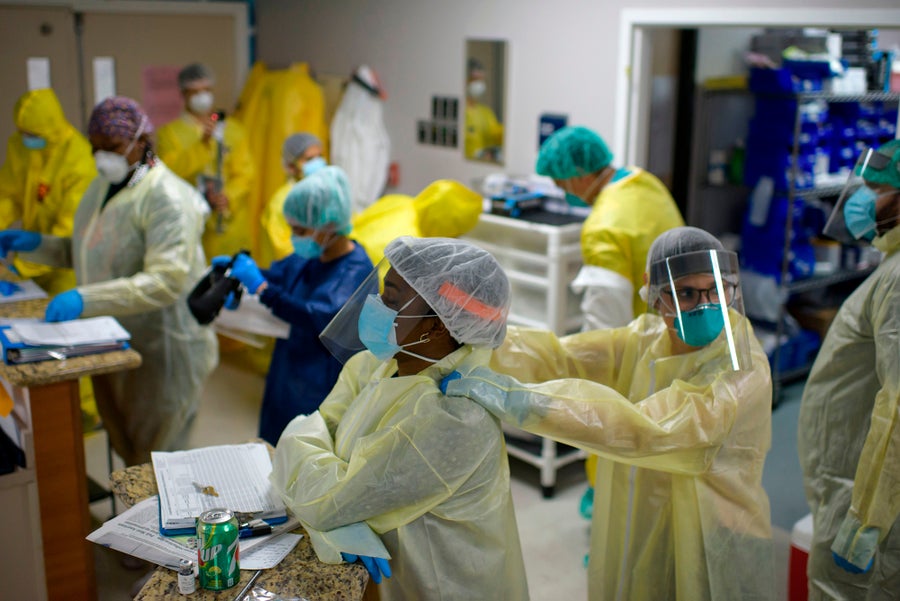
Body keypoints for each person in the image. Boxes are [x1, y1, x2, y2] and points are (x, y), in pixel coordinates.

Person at [443, 226, 775, 601]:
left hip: (709, 529)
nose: (705, 304)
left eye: (717, 289)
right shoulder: (645, 339)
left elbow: (654, 430)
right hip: (635, 517)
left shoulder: (742, 367)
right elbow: (561, 356)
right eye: (685, 293)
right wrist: (478, 333)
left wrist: (524, 402)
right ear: (654, 293)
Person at [270, 236, 528, 600]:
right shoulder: (379, 363)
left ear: (436, 326)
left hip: (442, 586)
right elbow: (324, 428)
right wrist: (330, 487)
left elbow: (328, 500)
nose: (375, 307)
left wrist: (303, 451)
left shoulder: (454, 417)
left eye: (391, 300)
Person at [0, 97, 218, 466]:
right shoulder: (103, 186)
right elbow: (92, 249)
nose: (103, 158)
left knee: (159, 461)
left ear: (142, 140)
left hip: (163, 344)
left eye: (113, 148)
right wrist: (39, 246)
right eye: (96, 148)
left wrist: (85, 299)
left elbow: (166, 281)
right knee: (128, 447)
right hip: (114, 334)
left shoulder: (166, 197)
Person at [537, 125, 685, 510]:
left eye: (561, 180)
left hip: (640, 363)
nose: (561, 189)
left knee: (623, 466)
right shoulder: (644, 183)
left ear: (581, 174)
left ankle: (616, 545)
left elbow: (605, 328)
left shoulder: (604, 226)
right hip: (680, 341)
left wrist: (573, 377)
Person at [798, 140, 900, 598]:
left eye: (876, 189)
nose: (862, 199)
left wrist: (866, 519)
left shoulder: (898, 282)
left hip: (861, 492)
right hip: (851, 480)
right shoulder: (891, 265)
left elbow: (897, 411)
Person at [214, 166, 373, 445]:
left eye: (300, 229)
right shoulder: (315, 253)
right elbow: (281, 273)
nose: (294, 236)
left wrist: (261, 289)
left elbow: (315, 315)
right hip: (288, 368)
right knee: (274, 442)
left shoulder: (355, 272)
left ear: (329, 224)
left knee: (303, 450)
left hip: (319, 380)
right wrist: (240, 269)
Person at [0, 88, 96, 294]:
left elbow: (67, 230)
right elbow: (7, 195)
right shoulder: (20, 146)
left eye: (32, 134)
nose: (26, 138)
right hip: (30, 255)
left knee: (59, 320)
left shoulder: (80, 160)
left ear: (49, 128)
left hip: (66, 265)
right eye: (22, 132)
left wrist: (20, 268)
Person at [156, 62, 255, 260]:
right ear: (183, 94)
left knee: (234, 279)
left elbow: (246, 173)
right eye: (195, 91)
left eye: (206, 90)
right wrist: (201, 145)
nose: (202, 96)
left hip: (230, 225)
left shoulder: (233, 130)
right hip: (190, 224)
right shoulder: (170, 134)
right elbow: (169, 172)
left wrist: (229, 196)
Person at [258, 132, 326, 267]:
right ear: (291, 166)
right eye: (309, 159)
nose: (318, 163)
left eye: (320, 157)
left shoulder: (323, 191)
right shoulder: (282, 202)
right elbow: (284, 251)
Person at [464, 58, 504, 162]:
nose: (479, 84)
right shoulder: (459, 114)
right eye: (475, 79)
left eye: (481, 80)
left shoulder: (486, 112)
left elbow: (496, 135)